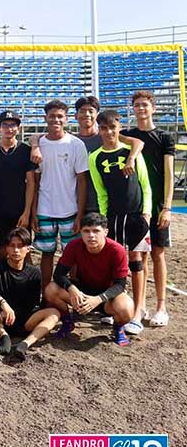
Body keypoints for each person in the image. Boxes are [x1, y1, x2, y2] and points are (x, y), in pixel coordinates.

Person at [89, 109, 152, 335]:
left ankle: (138, 312)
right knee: (115, 263)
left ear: (119, 127)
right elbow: (101, 192)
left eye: (112, 127)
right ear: (99, 130)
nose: (108, 132)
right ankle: (114, 307)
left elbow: (145, 184)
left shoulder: (130, 151)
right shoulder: (95, 157)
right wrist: (105, 219)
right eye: (104, 128)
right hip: (113, 217)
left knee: (137, 262)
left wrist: (146, 213)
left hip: (136, 216)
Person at [29, 96, 143, 215]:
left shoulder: (106, 136)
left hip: (103, 202)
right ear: (75, 116)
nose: (86, 114)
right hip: (77, 204)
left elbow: (138, 143)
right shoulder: (71, 141)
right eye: (82, 111)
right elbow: (37, 137)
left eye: (91, 111)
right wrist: (35, 146)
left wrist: (130, 160)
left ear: (97, 115)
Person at [122, 90, 174, 327]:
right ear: (132, 109)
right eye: (137, 105)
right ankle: (139, 304)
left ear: (153, 108)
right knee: (138, 254)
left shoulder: (164, 137)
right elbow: (110, 135)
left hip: (158, 205)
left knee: (158, 253)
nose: (141, 108)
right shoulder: (128, 135)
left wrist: (167, 207)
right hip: (138, 206)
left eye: (145, 105)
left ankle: (161, 306)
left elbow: (169, 175)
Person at [44, 213, 134, 346]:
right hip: (81, 293)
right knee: (51, 289)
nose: (91, 235)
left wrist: (98, 299)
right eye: (86, 231)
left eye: (96, 231)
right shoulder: (74, 245)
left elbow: (120, 285)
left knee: (126, 308)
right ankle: (68, 322)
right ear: (81, 232)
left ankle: (118, 327)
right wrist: (72, 288)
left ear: (105, 232)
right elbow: (58, 274)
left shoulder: (117, 250)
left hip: (106, 296)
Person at [0, 227, 60, 361]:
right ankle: (3, 336)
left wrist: (11, 313)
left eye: (20, 246)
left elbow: (32, 304)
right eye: (12, 246)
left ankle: (25, 344)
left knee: (54, 313)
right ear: (6, 248)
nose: (16, 250)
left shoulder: (34, 273)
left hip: (21, 321)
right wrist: (2, 304)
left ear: (28, 249)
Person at [31, 100, 89, 289]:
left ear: (66, 119)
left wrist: (80, 214)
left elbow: (81, 181)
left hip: (70, 210)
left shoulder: (76, 144)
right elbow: (36, 182)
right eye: (52, 116)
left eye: (59, 116)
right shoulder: (39, 144)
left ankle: (74, 293)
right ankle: (46, 292)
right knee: (46, 254)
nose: (55, 119)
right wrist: (33, 212)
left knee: (72, 256)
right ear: (45, 118)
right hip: (45, 209)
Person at [0, 111, 37, 259]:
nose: (9, 128)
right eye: (5, 125)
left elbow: (31, 183)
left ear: (18, 129)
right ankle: (3, 282)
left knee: (24, 251)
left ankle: (26, 282)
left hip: (19, 209)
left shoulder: (26, 151)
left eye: (13, 125)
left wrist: (27, 213)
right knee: (1, 251)